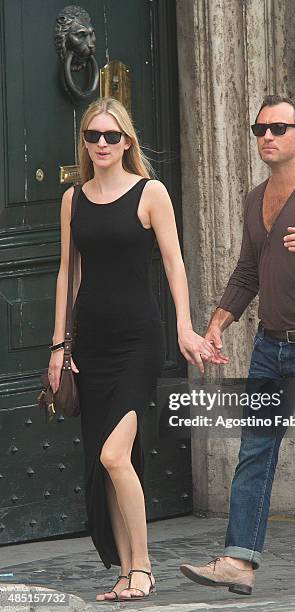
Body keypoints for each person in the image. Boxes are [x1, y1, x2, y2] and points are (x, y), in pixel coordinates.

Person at [180, 94, 295, 595]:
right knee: (255, 453)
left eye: (278, 128)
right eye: (259, 129)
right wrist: (218, 322)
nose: (267, 137)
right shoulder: (253, 197)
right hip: (269, 347)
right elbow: (247, 272)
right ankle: (239, 560)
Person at [48, 97, 215, 602]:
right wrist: (59, 346)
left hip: (138, 339)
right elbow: (67, 273)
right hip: (90, 344)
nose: (102, 144)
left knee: (115, 454)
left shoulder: (151, 193)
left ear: (127, 142)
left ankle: (143, 567)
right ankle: (124, 573)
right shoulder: (72, 198)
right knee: (106, 464)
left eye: (111, 136)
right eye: (93, 136)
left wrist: (185, 327)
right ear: (84, 142)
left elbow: (174, 263)